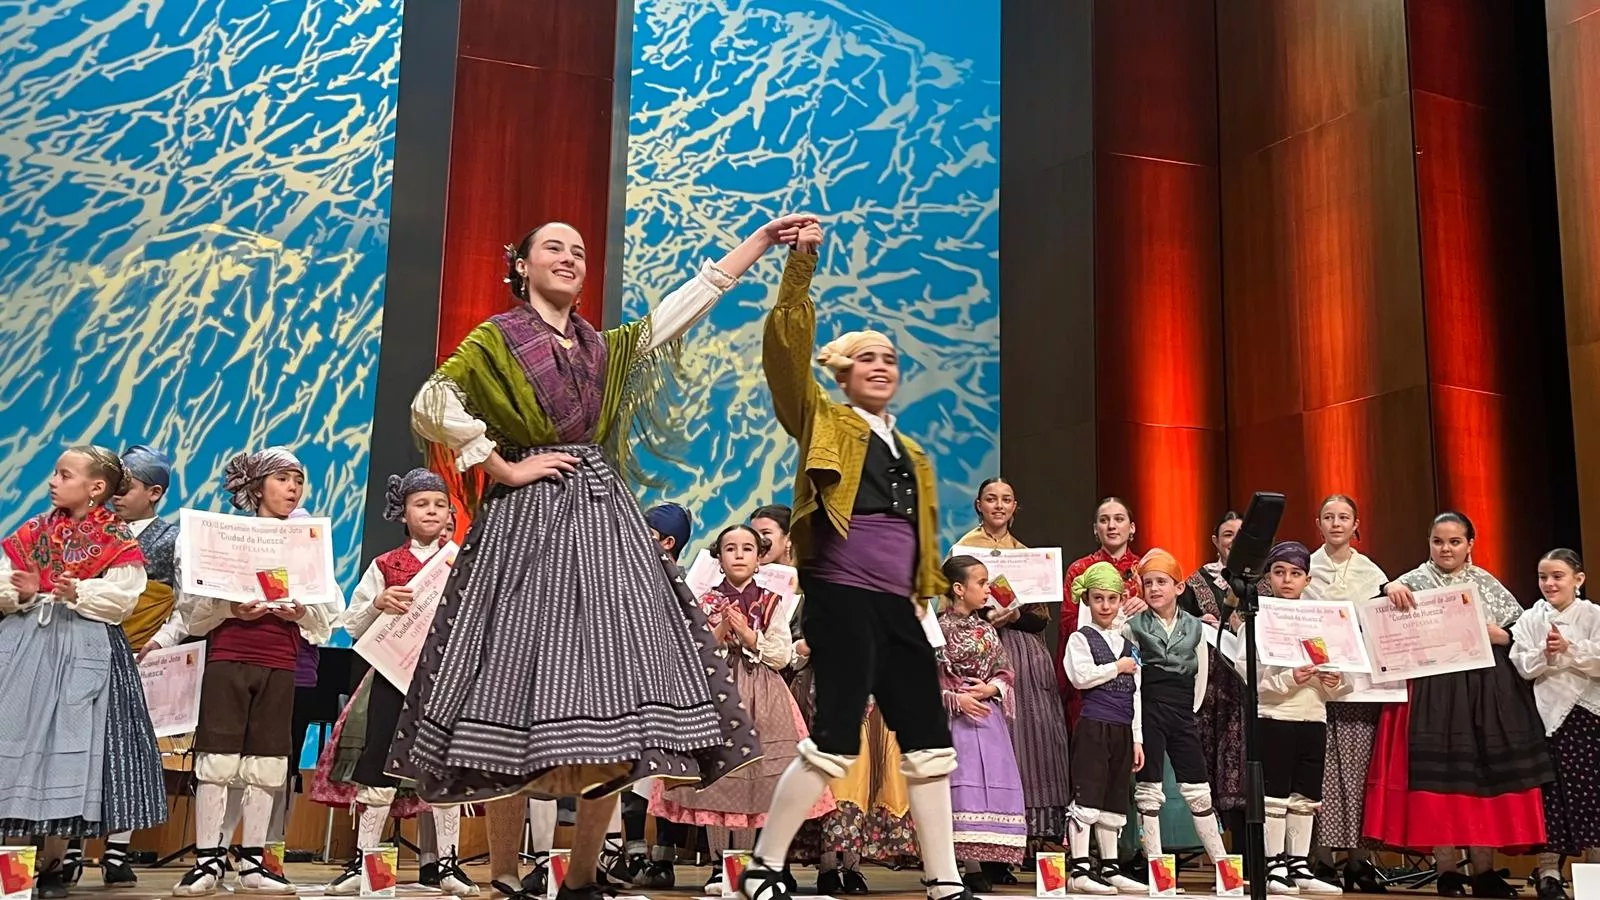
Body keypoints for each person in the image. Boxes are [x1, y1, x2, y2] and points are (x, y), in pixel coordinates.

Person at [391, 215, 811, 900]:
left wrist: (760, 243)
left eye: (579, 251)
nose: (570, 258)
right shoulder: (497, 338)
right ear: (521, 266)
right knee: (511, 685)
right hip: (528, 519)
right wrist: (505, 467)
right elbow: (433, 401)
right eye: (553, 248)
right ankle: (503, 874)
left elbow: (685, 304)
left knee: (618, 689)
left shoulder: (600, 346)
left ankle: (583, 874)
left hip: (601, 519)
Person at [738, 223, 967, 900]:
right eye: (867, 358)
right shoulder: (824, 419)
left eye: (890, 359)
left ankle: (945, 880)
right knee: (835, 740)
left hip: (896, 609)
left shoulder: (913, 453)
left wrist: (922, 596)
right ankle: (764, 867)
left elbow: (920, 543)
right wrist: (801, 267)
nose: (881, 367)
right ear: (843, 373)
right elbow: (786, 356)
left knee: (929, 745)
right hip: (840, 597)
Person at [151, 447, 338, 897]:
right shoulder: (226, 538)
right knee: (216, 760)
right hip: (229, 658)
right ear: (257, 487)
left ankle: (253, 862)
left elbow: (327, 613)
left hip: (280, 662)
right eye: (282, 479)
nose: (292, 489)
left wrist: (300, 612)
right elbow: (195, 611)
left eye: (298, 480)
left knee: (268, 762)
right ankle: (207, 862)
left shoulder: (306, 544)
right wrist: (232, 609)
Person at [0, 446, 167, 899]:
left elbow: (124, 598)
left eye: (64, 474)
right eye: (55, 473)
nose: (53, 481)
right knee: (15, 745)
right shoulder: (35, 530)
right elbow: (6, 580)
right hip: (25, 648)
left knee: (67, 751)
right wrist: (22, 593)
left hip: (83, 647)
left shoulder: (115, 538)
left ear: (96, 487)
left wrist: (75, 592)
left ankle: (54, 865)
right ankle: (13, 871)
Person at [1363, 512, 1553, 899]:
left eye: (1454, 542)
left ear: (1470, 544)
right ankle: (1446, 870)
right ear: (1429, 543)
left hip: (1485, 690)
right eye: (1438, 541)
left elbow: (1520, 633)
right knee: (1439, 780)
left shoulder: (1486, 583)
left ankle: (1484, 871)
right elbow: (1378, 619)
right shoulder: (1411, 582)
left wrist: (1501, 635)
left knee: (1481, 777)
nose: (1445, 549)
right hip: (1432, 691)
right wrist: (1388, 587)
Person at [315, 469, 478, 897]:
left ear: (450, 514)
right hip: (391, 678)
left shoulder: (461, 564)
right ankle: (365, 863)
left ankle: (448, 865)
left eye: (440, 505)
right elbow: (352, 623)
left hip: (444, 681)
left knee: (443, 767)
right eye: (421, 504)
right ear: (403, 513)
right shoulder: (385, 565)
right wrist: (380, 603)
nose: (432, 511)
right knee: (378, 765)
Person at [653, 525, 832, 893]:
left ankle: (750, 866)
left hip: (763, 692)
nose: (738, 555)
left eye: (747, 548)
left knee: (759, 777)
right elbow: (692, 652)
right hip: (718, 691)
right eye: (730, 548)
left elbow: (781, 655)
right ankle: (719, 866)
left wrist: (750, 637)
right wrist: (719, 633)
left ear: (758, 557)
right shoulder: (703, 601)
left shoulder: (772, 601)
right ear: (719, 558)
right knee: (718, 777)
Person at [955, 479, 1071, 859]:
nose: (999, 505)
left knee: (1034, 736)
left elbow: (1041, 617)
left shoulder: (1026, 555)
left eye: (1006, 500)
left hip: (1023, 652)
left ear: (1015, 506)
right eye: (991, 499)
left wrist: (1016, 615)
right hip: (978, 650)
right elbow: (950, 608)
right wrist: (986, 618)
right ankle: (984, 843)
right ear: (979, 505)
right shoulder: (964, 550)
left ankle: (1027, 838)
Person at [1250, 542, 1348, 895]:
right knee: (1275, 795)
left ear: (1307, 579)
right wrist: (1289, 679)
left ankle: (1299, 864)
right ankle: (1274, 864)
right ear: (1268, 578)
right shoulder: (1258, 619)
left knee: (1306, 795)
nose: (1287, 580)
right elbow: (1250, 679)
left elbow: (1344, 673)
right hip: (1275, 716)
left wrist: (1336, 681)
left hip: (1313, 716)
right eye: (1279, 572)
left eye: (1295, 573)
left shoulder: (1320, 622)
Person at [1305, 495, 1389, 892]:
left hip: (1360, 686)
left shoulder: (1372, 573)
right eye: (1329, 517)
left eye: (1344, 517)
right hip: (1317, 684)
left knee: (1358, 771)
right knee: (1319, 771)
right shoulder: (1305, 569)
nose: (1336, 523)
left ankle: (1360, 860)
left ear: (1356, 524)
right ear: (1318, 523)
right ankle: (1320, 857)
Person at [1125, 549, 1228, 867]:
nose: (1154, 588)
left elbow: (1201, 672)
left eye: (1162, 582)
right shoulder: (1133, 627)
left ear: (1179, 587)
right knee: (1149, 787)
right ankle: (1156, 865)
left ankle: (1222, 864)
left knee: (1197, 786)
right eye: (1148, 583)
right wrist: (1137, 726)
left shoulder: (1196, 627)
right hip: (1150, 709)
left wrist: (1191, 711)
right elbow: (1133, 680)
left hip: (1183, 711)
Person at [1511, 549, 1600, 900]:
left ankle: (1594, 878)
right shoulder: (1530, 618)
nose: (1549, 583)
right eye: (1543, 577)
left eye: (1557, 576)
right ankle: (1548, 873)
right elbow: (1522, 665)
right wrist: (1547, 654)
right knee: (1550, 798)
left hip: (1587, 717)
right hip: (1544, 718)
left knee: (1592, 796)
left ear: (1578, 579)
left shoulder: (1593, 615)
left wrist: (1569, 648)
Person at [937, 556, 1026, 888]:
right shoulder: (938, 629)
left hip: (987, 717)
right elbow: (924, 676)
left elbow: (1005, 670)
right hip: (953, 718)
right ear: (959, 589)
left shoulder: (987, 628)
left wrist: (991, 688)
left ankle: (978, 866)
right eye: (981, 583)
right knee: (960, 789)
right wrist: (955, 698)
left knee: (989, 785)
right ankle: (956, 866)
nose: (988, 589)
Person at [1063, 562, 1147, 895]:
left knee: (1114, 797)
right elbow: (1080, 677)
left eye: (1112, 599)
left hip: (1122, 729)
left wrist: (1137, 738)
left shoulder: (1128, 643)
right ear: (1087, 600)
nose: (1106, 606)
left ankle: (1110, 868)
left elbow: (1136, 693)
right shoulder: (1080, 639)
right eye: (1098, 598)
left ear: (1121, 599)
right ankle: (1080, 869)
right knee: (1088, 794)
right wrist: (1117, 667)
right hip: (1094, 726)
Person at [1056, 498, 1144, 727]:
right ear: (1096, 529)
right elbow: (1068, 624)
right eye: (1104, 520)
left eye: (1119, 519)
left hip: (1137, 673)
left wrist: (1146, 610)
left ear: (1132, 527)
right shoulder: (1080, 570)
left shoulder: (1145, 570)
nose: (1112, 526)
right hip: (1092, 670)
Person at [1185, 512, 1244, 841]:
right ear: (1215, 541)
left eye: (1240, 534)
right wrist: (1198, 622)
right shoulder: (1196, 582)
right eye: (1227, 535)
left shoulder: (1268, 580)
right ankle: (1218, 850)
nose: (1234, 541)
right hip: (1210, 689)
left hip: (1254, 687)